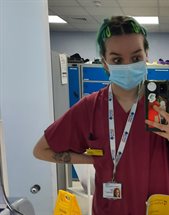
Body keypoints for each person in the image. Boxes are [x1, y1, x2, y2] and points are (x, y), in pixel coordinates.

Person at [33, 16, 169, 215]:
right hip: (109, 209)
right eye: (116, 59)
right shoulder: (91, 107)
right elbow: (41, 150)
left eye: (136, 57)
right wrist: (90, 160)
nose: (127, 65)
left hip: (158, 208)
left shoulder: (161, 102)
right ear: (105, 62)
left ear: (146, 55)